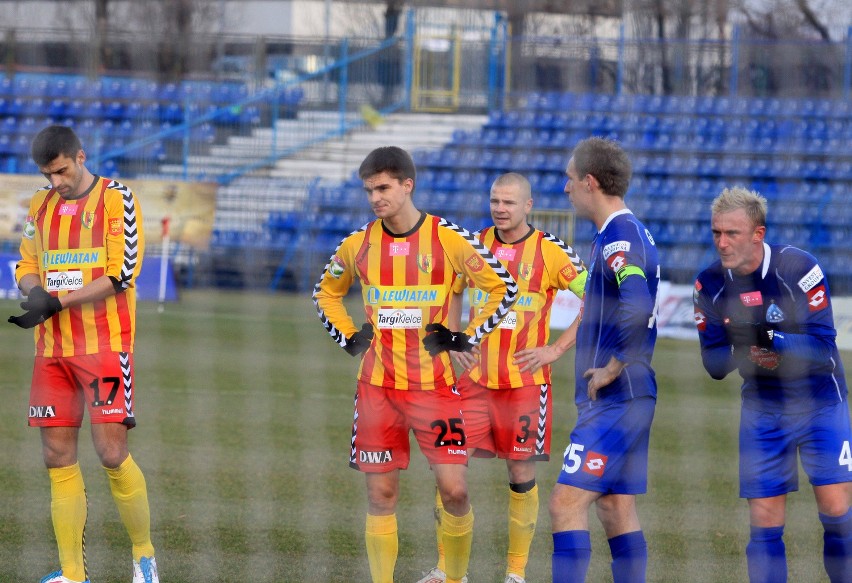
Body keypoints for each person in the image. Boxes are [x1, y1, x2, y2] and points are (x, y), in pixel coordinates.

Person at [312, 146, 518, 583]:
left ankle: (456, 578)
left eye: (384, 188)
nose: (375, 198)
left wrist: (467, 336)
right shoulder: (359, 243)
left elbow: (503, 287)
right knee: (382, 495)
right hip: (377, 390)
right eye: (369, 190)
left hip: (435, 390)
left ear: (408, 185)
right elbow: (325, 293)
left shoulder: (447, 238)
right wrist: (349, 336)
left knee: (455, 490)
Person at [417, 172, 587, 583]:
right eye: (495, 201)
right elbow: (453, 290)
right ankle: (446, 570)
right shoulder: (473, 244)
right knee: (449, 472)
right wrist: (455, 340)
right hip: (471, 381)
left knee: (521, 475)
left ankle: (515, 573)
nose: (500, 208)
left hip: (525, 384)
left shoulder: (551, 251)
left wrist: (556, 349)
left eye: (509, 202)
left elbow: (595, 299)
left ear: (528, 206)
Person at [7, 125, 158, 583]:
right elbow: (26, 263)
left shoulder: (117, 199)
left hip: (105, 348)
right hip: (52, 351)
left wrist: (58, 300)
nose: (56, 182)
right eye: (47, 175)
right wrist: (34, 294)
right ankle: (73, 574)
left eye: (62, 171)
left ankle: (144, 559)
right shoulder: (40, 203)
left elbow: (122, 273)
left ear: (80, 156)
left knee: (112, 453)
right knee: (57, 457)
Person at [693, 186, 852, 583]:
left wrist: (770, 338)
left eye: (732, 233)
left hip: (820, 403)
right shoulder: (708, 285)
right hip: (763, 409)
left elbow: (824, 349)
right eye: (716, 233)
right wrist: (745, 348)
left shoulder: (799, 269)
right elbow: (714, 364)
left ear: (758, 234)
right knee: (764, 521)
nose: (722, 242)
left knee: (836, 511)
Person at [549, 137, 660, 583]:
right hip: (630, 398)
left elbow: (637, 302)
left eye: (570, 179)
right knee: (615, 506)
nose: (566, 189)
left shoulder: (619, 237)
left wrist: (616, 363)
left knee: (565, 503)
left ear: (589, 182)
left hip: (617, 398)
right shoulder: (620, 234)